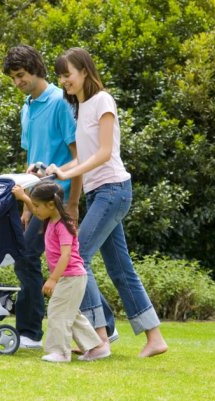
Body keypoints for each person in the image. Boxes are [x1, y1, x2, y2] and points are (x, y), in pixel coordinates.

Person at [46, 47, 168, 358]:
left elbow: (102, 154)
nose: (63, 82)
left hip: (114, 189)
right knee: (120, 268)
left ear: (84, 71)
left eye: (67, 75)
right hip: (99, 193)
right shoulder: (80, 108)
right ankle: (154, 338)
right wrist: (57, 169)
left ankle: (98, 339)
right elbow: (82, 157)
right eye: (59, 77)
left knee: (77, 257)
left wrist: (71, 170)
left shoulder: (103, 101)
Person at [3, 44, 118, 349]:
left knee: (32, 257)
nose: (17, 82)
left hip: (60, 200)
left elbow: (78, 156)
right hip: (38, 202)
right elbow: (31, 156)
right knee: (42, 259)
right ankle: (104, 321)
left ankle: (29, 332)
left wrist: (72, 204)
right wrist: (27, 204)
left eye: (21, 75)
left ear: (36, 70)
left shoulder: (60, 102)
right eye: (13, 78)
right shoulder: (26, 108)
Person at [12, 181, 110, 362]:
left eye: (37, 206)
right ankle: (97, 347)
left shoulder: (64, 225)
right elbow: (37, 213)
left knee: (57, 312)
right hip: (69, 277)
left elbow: (66, 256)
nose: (36, 210)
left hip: (71, 277)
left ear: (50, 205)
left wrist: (52, 279)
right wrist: (24, 198)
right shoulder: (51, 219)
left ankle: (60, 352)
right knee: (72, 315)